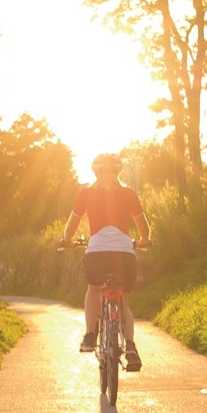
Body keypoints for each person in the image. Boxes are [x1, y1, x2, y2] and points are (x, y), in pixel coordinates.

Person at [57, 153, 151, 371]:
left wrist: (67, 241)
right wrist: (144, 241)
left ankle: (90, 336)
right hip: (124, 257)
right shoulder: (128, 194)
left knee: (94, 289)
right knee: (124, 304)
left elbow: (71, 227)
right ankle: (130, 347)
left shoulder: (86, 194)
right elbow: (144, 229)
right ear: (117, 172)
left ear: (95, 172)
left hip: (97, 255)